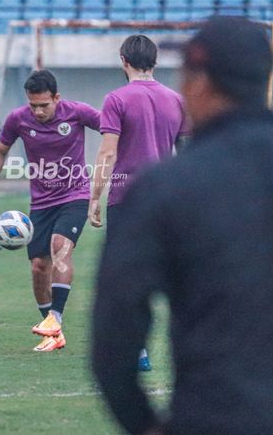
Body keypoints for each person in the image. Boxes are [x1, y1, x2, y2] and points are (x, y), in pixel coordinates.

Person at [92, 16, 273, 435]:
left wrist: (144, 424)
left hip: (213, 416)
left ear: (199, 82)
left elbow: (115, 332)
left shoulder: (165, 186)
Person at [0, 69, 100, 352]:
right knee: (39, 266)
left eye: (44, 104)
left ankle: (55, 317)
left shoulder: (78, 112)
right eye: (33, 105)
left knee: (60, 246)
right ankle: (52, 333)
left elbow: (113, 130)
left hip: (75, 195)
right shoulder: (18, 119)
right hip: (41, 203)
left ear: (57, 98)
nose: (38, 111)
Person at [89, 34, 188, 372]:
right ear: (155, 61)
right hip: (167, 200)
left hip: (126, 199)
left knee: (128, 278)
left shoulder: (116, 98)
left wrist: (95, 195)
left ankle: (139, 350)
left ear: (123, 60)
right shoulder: (176, 99)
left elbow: (108, 151)